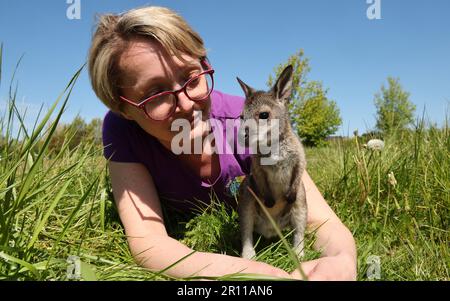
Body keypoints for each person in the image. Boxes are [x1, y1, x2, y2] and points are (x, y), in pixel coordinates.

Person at [88, 6, 356, 280]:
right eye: (155, 94)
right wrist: (256, 275)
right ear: (124, 108)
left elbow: (317, 216)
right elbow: (148, 241)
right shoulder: (122, 131)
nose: (185, 104)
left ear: (204, 66)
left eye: (191, 78)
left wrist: (342, 259)